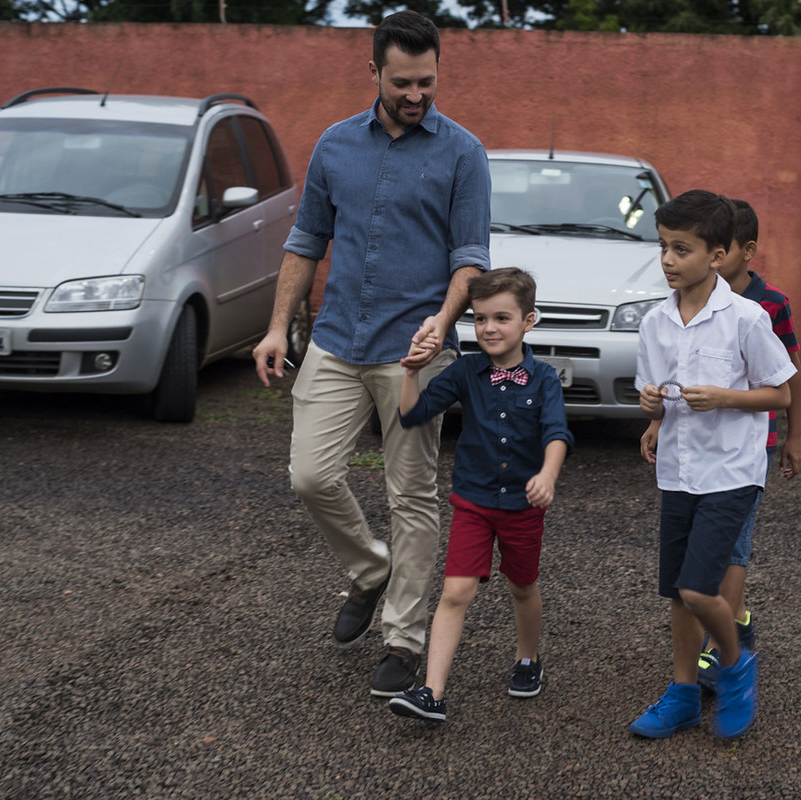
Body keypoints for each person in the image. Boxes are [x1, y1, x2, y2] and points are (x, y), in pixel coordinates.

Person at [252, 10, 491, 698]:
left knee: (411, 495)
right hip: (335, 340)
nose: (416, 95)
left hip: (412, 354)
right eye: (402, 82)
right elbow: (305, 243)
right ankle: (369, 569)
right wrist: (277, 328)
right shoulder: (333, 146)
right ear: (374, 72)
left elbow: (470, 260)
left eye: (427, 81)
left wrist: (441, 323)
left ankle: (403, 638)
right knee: (309, 476)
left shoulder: (462, 153)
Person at [629, 190, 795, 740]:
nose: (669, 260)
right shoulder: (654, 321)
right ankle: (680, 695)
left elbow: (779, 395)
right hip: (678, 471)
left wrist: (725, 397)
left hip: (732, 473)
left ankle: (733, 666)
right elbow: (652, 394)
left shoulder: (747, 319)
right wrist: (652, 414)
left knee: (702, 589)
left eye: (682, 249)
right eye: (663, 248)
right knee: (678, 591)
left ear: (718, 254)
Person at [387, 268, 572, 723]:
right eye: (480, 318)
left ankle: (527, 659)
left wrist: (547, 475)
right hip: (473, 503)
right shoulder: (466, 370)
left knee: (522, 586)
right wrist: (410, 372)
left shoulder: (544, 378)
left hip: (523, 508)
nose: (489, 328)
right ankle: (431, 692)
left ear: (529, 321)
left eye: (501, 318)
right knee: (455, 592)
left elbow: (556, 433)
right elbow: (413, 414)